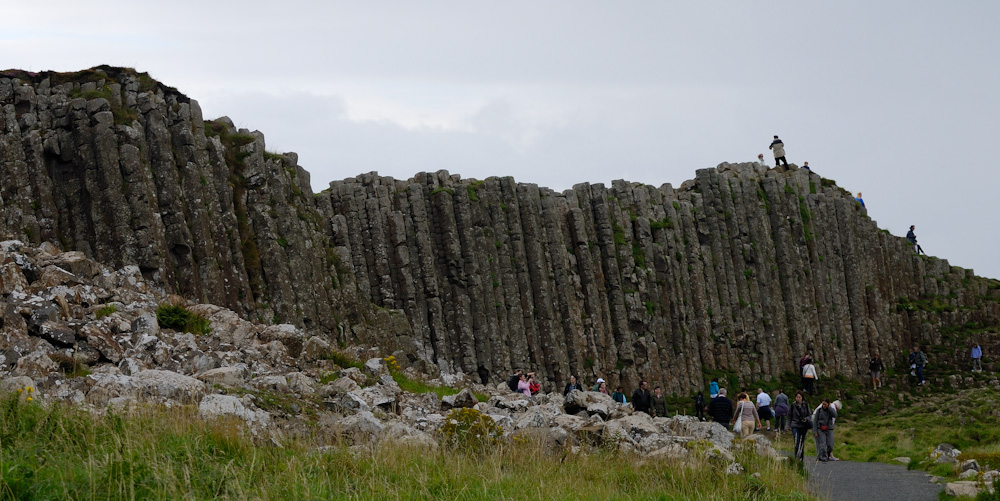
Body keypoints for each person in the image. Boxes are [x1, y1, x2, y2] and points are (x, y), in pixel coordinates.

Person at [789, 391, 811, 461]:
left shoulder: (805, 405)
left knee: (802, 442)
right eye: (797, 397)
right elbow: (789, 416)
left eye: (799, 397)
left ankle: (801, 458)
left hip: (803, 425)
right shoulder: (793, 405)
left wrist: (806, 419)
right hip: (795, 425)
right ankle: (796, 458)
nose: (798, 398)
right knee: (796, 441)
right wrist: (787, 426)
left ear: (802, 398)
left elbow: (809, 415)